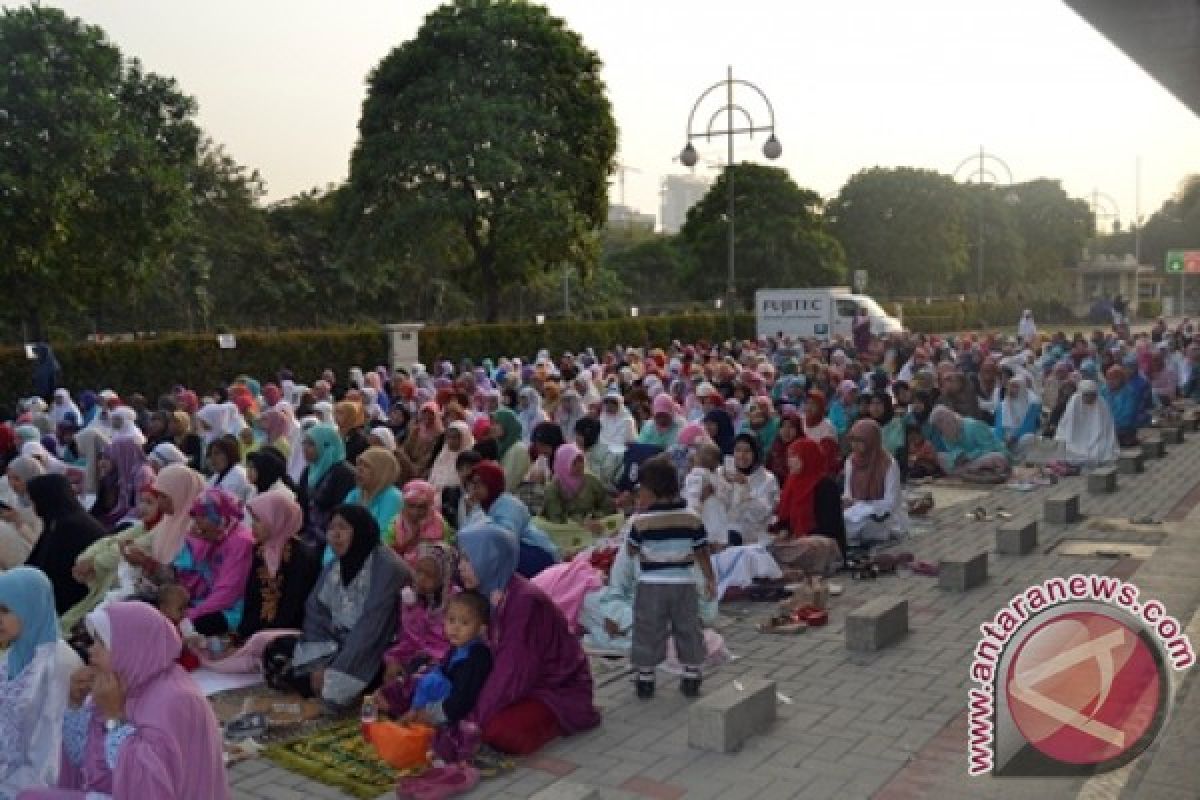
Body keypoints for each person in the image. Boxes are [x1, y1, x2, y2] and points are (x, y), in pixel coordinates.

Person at [29, 602, 229, 799]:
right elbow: (85, 763)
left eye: (102, 643)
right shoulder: (123, 684)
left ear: (132, 646)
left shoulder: (175, 700)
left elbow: (150, 787)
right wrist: (75, 704)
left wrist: (114, 718)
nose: (91, 650)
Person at [455, 522, 600, 755]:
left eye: (467, 560)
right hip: (521, 680)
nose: (460, 568)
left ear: (490, 560)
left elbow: (512, 670)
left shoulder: (523, 602)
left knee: (497, 731)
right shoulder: (486, 593)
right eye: (460, 560)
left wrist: (475, 720)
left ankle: (557, 722)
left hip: (557, 688)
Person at [263, 505, 408, 709]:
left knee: (333, 690)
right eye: (331, 528)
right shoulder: (336, 565)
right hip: (334, 643)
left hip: (372, 650)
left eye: (343, 528)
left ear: (360, 530)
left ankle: (343, 688)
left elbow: (370, 629)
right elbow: (315, 612)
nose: (335, 535)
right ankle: (319, 682)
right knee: (274, 650)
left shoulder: (388, 568)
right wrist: (318, 663)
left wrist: (334, 670)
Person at [627, 455, 716, 699]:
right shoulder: (692, 519)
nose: (639, 495)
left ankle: (645, 677)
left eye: (641, 490)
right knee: (688, 628)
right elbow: (702, 552)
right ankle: (692, 674)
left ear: (652, 491)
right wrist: (710, 578)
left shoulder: (640, 522)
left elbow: (632, 550)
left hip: (651, 585)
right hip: (684, 585)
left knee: (648, 629)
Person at [0, 568, 81, 798]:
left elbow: (51, 754)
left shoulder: (58, 665)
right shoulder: (13, 656)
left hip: (29, 786)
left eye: (5, 610)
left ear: (29, 607)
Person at [394, 590, 493, 764]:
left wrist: (432, 714)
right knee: (424, 676)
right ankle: (414, 713)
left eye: (464, 623)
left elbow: (462, 700)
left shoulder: (477, 656)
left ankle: (427, 726)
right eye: (451, 620)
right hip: (445, 700)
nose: (455, 628)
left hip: (458, 712)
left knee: (447, 742)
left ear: (481, 629)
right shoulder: (458, 647)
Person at [173, 487, 255, 639]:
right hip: (205, 602)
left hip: (230, 610)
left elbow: (227, 593)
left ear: (219, 516)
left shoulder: (240, 542)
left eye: (202, 517)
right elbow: (188, 578)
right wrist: (198, 541)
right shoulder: (216, 536)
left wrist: (192, 614)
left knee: (185, 629)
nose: (197, 524)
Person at [238, 492, 320, 639]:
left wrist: (263, 639)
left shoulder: (301, 557)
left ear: (276, 519)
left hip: (286, 637)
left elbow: (293, 607)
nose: (252, 526)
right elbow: (252, 597)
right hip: (257, 633)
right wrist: (243, 635)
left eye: (258, 520)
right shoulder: (261, 550)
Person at [24, 475, 106, 615]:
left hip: (75, 603)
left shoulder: (70, 527)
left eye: (34, 501)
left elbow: (57, 578)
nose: (33, 506)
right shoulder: (56, 520)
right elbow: (36, 562)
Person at [463, 461, 559, 578]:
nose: (474, 489)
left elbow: (504, 541)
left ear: (492, 484)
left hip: (535, 553)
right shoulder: (482, 505)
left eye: (479, 485)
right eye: (473, 485)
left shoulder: (509, 505)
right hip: (513, 553)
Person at [537, 444, 618, 553]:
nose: (580, 465)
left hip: (594, 524)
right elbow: (556, 518)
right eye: (574, 462)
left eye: (581, 461)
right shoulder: (553, 488)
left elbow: (608, 505)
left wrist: (596, 517)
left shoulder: (591, 481)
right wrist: (582, 522)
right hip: (568, 530)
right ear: (563, 464)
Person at [841, 419, 908, 547]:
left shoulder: (888, 464)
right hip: (856, 511)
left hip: (883, 514)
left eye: (860, 441)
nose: (855, 445)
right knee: (840, 523)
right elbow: (848, 493)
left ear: (872, 441)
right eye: (853, 440)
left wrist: (867, 506)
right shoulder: (851, 461)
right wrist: (847, 502)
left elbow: (891, 502)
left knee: (865, 526)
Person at [296, 426, 357, 548]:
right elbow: (301, 504)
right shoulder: (308, 470)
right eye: (304, 443)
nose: (305, 448)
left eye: (311, 444)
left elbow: (342, 511)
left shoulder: (344, 473)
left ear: (326, 446)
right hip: (308, 533)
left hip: (331, 539)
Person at [929, 406, 1011, 481]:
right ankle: (974, 474)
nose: (941, 430)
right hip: (969, 464)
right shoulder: (945, 435)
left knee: (997, 457)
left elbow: (990, 447)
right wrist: (957, 456)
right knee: (941, 457)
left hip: (984, 458)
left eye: (941, 424)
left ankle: (969, 473)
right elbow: (952, 450)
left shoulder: (973, 426)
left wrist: (969, 456)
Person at [342, 447, 403, 549]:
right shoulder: (355, 494)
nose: (359, 470)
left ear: (382, 471)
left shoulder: (393, 497)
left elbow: (381, 537)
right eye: (358, 465)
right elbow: (338, 526)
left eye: (366, 466)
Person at [1055, 380, 1119, 466]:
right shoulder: (1074, 402)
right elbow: (1065, 427)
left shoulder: (1102, 404)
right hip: (1074, 440)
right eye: (1086, 395)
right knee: (1063, 448)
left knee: (1100, 451)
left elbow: (1108, 430)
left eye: (1092, 395)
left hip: (1097, 440)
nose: (1089, 398)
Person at [0, 456, 45, 571]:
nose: (12, 483)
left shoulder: (43, 504)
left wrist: (18, 521)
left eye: (17, 479)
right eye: (9, 478)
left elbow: (41, 543)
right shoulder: (15, 497)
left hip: (33, 557)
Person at [391, 480, 451, 564]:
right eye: (411, 505)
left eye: (421, 507)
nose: (415, 512)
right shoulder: (394, 524)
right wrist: (410, 540)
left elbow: (448, 554)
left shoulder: (441, 524)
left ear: (430, 505)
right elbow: (389, 554)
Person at [993, 377, 1043, 459]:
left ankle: (1019, 458)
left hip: (1019, 440)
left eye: (1016, 386)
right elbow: (998, 426)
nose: (1012, 389)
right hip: (1005, 439)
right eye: (1011, 386)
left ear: (1022, 389)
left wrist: (1014, 437)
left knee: (1029, 437)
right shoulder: (1002, 405)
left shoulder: (1031, 406)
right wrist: (1001, 441)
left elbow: (1029, 427)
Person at [573, 417, 621, 492]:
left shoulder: (607, 454)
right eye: (576, 434)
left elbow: (603, 481)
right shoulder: (577, 451)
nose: (576, 438)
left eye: (579, 435)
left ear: (588, 435)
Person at [489, 408, 529, 493]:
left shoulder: (518, 449)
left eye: (497, 423)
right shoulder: (506, 447)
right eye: (492, 424)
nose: (492, 427)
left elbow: (508, 484)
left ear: (507, 424)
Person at [204, 435, 252, 505]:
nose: (212, 458)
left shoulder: (240, 475)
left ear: (229, 455)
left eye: (217, 453)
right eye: (210, 454)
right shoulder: (217, 475)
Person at [1100, 366, 1140, 447]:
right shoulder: (1103, 391)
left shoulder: (1129, 393)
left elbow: (1128, 416)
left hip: (1122, 428)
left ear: (1121, 379)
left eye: (1115, 378)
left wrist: (1111, 426)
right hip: (1105, 427)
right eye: (1108, 378)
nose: (1111, 381)